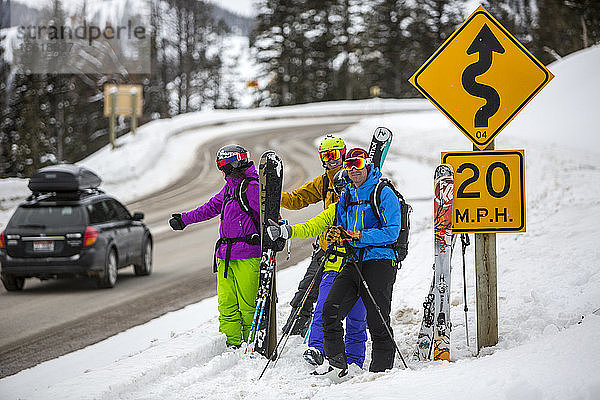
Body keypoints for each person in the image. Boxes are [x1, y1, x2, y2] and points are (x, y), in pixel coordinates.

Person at [267, 170, 367, 369]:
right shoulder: (336, 209)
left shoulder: (366, 209)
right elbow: (313, 226)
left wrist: (354, 237)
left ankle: (355, 359)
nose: (342, 193)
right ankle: (316, 348)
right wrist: (287, 231)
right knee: (324, 306)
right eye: (338, 190)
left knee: (357, 315)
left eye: (345, 189)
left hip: (360, 267)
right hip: (334, 265)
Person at [168, 144, 261, 349]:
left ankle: (251, 344)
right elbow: (210, 207)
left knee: (248, 305)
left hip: (248, 253)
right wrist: (184, 219)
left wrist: (277, 233)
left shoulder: (252, 188)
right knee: (227, 304)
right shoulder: (230, 187)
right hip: (225, 254)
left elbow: (269, 215)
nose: (221, 170)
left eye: (222, 165)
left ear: (232, 164)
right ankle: (232, 343)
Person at [320, 147, 401, 377]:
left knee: (377, 319)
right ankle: (337, 364)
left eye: (358, 163)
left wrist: (359, 236)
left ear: (367, 164)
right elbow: (343, 226)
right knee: (330, 311)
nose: (354, 169)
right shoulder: (346, 195)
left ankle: (380, 370)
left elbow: (392, 232)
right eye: (349, 165)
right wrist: (338, 234)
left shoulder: (382, 192)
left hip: (379, 262)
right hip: (353, 260)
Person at [279, 134, 346, 338]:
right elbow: (297, 199)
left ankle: (336, 337)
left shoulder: (354, 176)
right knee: (307, 290)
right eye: (326, 156)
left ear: (342, 154)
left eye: (334, 154)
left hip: (349, 249)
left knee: (342, 296)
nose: (331, 159)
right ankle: (294, 332)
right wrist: (272, 194)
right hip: (325, 248)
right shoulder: (324, 182)